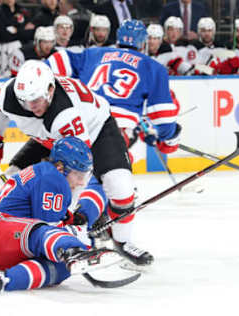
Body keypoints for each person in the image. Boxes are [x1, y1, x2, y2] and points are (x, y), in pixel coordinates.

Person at [0, 58, 154, 266]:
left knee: (120, 187)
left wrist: (68, 214)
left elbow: (79, 170)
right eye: (25, 101)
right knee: (15, 178)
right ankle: (25, 233)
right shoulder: (10, 94)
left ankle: (122, 241)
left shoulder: (65, 114)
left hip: (96, 132)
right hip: (50, 137)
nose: (31, 107)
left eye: (37, 100)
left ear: (50, 90)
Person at [45, 20, 181, 262]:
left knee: (79, 176)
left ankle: (58, 227)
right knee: (109, 179)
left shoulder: (94, 53)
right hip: (117, 129)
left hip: (80, 119)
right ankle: (109, 235)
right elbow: (164, 121)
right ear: (143, 43)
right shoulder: (153, 67)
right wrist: (170, 138)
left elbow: (57, 61)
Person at [0, 137, 118, 294]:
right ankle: (73, 252)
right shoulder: (53, 177)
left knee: (62, 268)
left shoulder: (43, 173)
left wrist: (74, 220)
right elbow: (49, 228)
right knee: (49, 237)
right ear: (60, 168)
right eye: (78, 175)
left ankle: (1, 280)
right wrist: (81, 240)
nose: (81, 183)